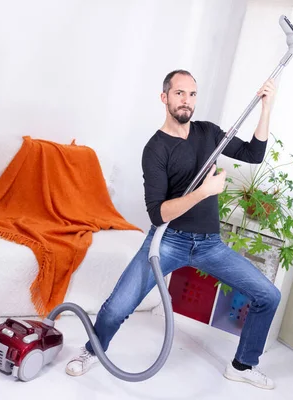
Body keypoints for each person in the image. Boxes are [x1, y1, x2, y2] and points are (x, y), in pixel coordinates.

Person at [65, 69, 280, 390]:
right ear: (164, 97)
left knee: (268, 295)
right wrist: (204, 192)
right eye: (179, 93)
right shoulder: (156, 148)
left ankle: (243, 365)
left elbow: (254, 154)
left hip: (209, 244)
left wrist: (266, 108)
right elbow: (158, 213)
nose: (187, 101)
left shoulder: (209, 134)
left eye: (192, 94)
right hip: (168, 242)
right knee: (117, 307)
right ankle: (92, 351)